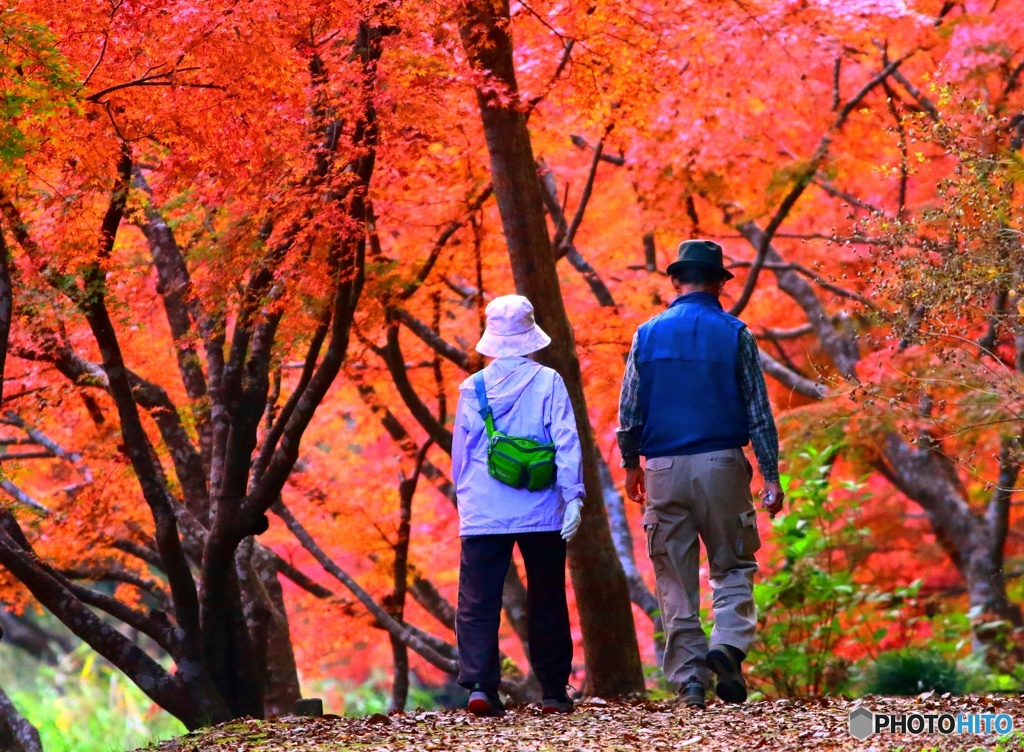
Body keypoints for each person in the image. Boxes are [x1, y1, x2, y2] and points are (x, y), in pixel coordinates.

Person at [616, 239, 784, 710]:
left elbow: (629, 410)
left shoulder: (646, 334)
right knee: (733, 564)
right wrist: (770, 475)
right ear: (718, 283)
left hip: (664, 468)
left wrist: (632, 465)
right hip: (722, 465)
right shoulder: (736, 334)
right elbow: (758, 411)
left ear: (676, 281)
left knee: (674, 575)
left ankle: (691, 681)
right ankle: (727, 646)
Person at [452, 294, 585, 717]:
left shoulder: (472, 389)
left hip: (485, 510)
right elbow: (565, 441)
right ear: (530, 336)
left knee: (478, 598)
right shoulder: (548, 381)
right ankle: (553, 691)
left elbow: (461, 453)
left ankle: (480, 687)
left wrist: (467, 501)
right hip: (541, 507)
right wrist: (573, 497)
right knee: (547, 595)